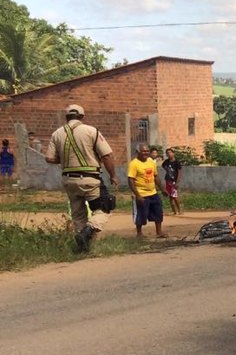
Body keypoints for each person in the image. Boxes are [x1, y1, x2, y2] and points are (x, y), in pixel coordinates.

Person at [45, 104, 119, 252]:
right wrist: (113, 175)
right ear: (82, 117)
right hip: (90, 179)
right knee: (104, 208)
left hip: (69, 180)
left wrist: (66, 160)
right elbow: (107, 155)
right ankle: (89, 230)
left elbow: (49, 158)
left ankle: (83, 248)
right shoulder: (91, 131)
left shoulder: (57, 134)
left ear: (66, 117)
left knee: (78, 214)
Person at [128, 144, 165, 239]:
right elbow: (131, 180)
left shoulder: (151, 162)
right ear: (138, 152)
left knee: (158, 212)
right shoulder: (134, 164)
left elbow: (155, 177)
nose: (146, 153)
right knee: (141, 214)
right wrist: (138, 195)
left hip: (153, 193)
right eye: (143, 151)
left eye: (147, 151)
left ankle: (159, 232)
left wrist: (162, 189)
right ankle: (139, 233)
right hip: (141, 194)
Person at [162, 147, 183, 215]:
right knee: (170, 196)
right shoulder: (166, 162)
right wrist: (168, 172)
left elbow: (179, 172)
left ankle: (179, 210)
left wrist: (177, 182)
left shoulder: (177, 162)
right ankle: (174, 211)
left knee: (175, 196)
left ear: (173, 153)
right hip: (168, 181)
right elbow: (163, 166)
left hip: (174, 181)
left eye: (170, 152)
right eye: (167, 153)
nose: (169, 154)